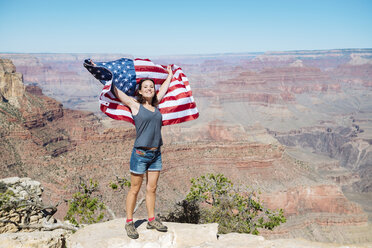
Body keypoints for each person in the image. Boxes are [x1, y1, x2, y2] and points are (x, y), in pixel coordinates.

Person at [111, 65, 173, 239]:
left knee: (152, 189)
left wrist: (169, 75)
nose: (149, 89)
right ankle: (129, 222)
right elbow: (118, 93)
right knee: (134, 190)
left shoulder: (156, 104)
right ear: (140, 90)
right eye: (145, 87)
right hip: (140, 155)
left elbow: (165, 89)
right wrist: (106, 77)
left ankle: (151, 219)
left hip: (156, 154)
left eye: (151, 87)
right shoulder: (135, 105)